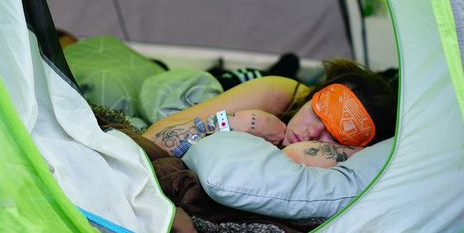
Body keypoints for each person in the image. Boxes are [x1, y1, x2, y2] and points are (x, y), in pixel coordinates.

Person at [142, 59, 397, 168]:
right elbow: (150, 140)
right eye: (317, 114)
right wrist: (232, 121)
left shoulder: (359, 154)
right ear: (312, 96)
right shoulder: (276, 94)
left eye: (335, 135)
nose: (313, 132)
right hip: (242, 87)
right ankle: (283, 66)